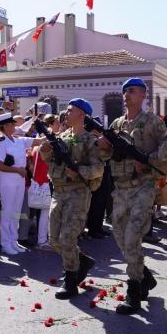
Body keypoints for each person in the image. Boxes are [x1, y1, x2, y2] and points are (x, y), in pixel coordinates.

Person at [97, 78, 167, 313]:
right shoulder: (118, 124)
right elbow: (108, 155)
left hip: (143, 187)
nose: (126, 95)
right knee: (121, 237)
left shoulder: (152, 121)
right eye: (124, 91)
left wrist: (150, 160)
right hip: (121, 188)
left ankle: (134, 292)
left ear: (143, 95)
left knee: (132, 238)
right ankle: (145, 276)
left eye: (132, 91)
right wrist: (103, 146)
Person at [41, 99, 105, 299]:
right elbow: (50, 160)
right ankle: (81, 262)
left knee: (67, 237)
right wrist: (45, 151)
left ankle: (71, 280)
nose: (66, 113)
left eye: (70, 110)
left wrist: (79, 171)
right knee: (54, 239)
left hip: (78, 192)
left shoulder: (90, 140)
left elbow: (98, 169)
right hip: (59, 191)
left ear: (82, 114)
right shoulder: (62, 137)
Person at [0, 113, 43, 255]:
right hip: (8, 180)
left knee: (16, 212)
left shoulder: (19, 140)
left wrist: (51, 133)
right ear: (4, 126)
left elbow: (38, 141)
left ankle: (13, 241)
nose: (14, 126)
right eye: (11, 124)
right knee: (8, 211)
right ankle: (5, 243)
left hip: (19, 180)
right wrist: (17, 170)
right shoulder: (1, 142)